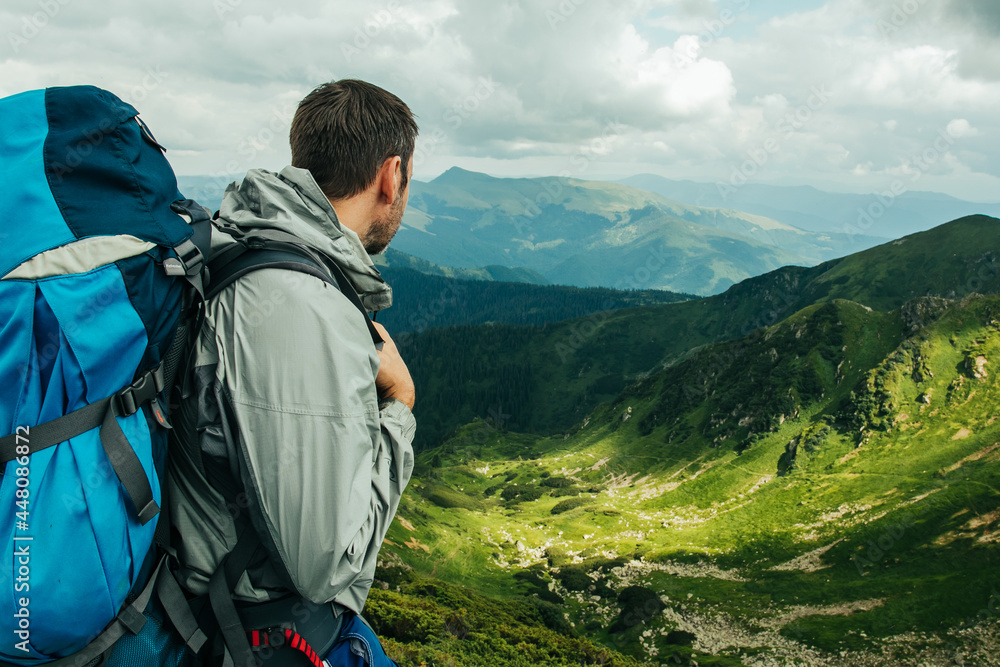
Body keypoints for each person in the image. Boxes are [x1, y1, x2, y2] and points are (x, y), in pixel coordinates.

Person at [166, 79, 418, 666]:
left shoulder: (254, 243)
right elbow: (323, 565)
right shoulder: (297, 304)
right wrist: (401, 406)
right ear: (392, 174)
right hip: (252, 637)